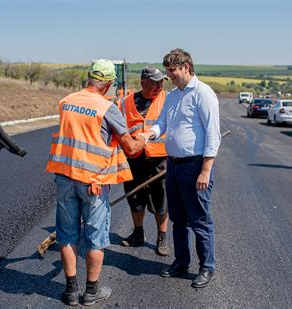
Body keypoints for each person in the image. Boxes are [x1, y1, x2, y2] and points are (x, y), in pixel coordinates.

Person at [45, 59, 146, 306]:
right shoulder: (107, 108)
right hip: (93, 183)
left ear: (89, 77)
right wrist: (143, 138)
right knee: (95, 237)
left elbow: (78, 137)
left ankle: (70, 291)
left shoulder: (66, 102)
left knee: (67, 235)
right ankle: (91, 291)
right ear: (109, 84)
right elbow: (131, 149)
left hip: (64, 178)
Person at [139, 48, 221, 288]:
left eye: (172, 71)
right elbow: (162, 123)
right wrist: (148, 134)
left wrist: (206, 170)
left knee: (200, 219)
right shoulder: (173, 95)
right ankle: (181, 261)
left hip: (195, 166)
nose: (170, 76)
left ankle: (207, 267)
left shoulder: (203, 94)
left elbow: (212, 134)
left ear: (186, 67)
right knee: (178, 218)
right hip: (173, 165)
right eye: (168, 71)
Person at [119, 65, 170, 256]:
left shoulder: (167, 100)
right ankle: (138, 233)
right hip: (134, 159)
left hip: (160, 158)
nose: (159, 86)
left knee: (161, 200)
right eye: (155, 83)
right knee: (134, 197)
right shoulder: (126, 103)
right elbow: (119, 129)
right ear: (143, 83)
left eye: (161, 82)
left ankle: (162, 237)